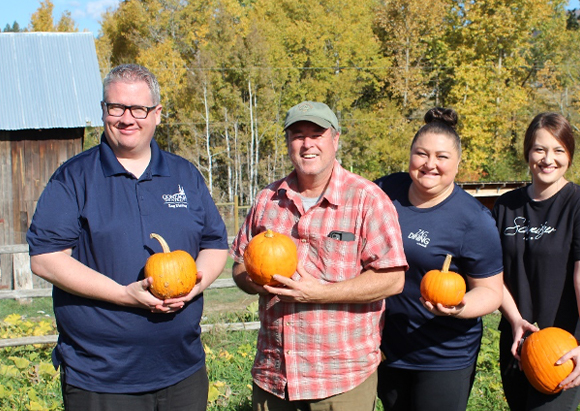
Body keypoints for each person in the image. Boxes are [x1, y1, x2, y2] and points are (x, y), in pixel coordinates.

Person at [26, 63, 229, 410]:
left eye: (138, 109)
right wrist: (123, 295)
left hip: (184, 371)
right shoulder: (74, 178)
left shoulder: (185, 175)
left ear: (157, 114)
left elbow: (214, 243)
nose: (126, 118)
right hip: (102, 378)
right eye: (116, 107)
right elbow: (45, 259)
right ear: (104, 110)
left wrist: (197, 283)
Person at [230, 101, 409, 411]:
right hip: (274, 378)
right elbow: (238, 266)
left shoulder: (367, 200)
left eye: (317, 133)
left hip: (340, 381)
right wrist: (256, 281)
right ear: (288, 142)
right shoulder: (267, 201)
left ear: (335, 139)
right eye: (298, 135)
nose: (307, 143)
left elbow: (393, 279)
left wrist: (321, 293)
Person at [375, 108, 504, 411]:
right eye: (421, 154)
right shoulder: (384, 191)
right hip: (387, 348)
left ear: (458, 164)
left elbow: (491, 292)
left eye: (442, 157)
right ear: (410, 156)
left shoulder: (473, 220)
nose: (430, 164)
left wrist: (458, 309)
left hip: (443, 355)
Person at [491, 112, 580, 411]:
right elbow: (493, 273)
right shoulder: (506, 206)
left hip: (562, 349)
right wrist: (515, 319)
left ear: (569, 155)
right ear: (527, 153)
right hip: (516, 342)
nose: (548, 159)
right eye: (540, 149)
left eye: (559, 150)